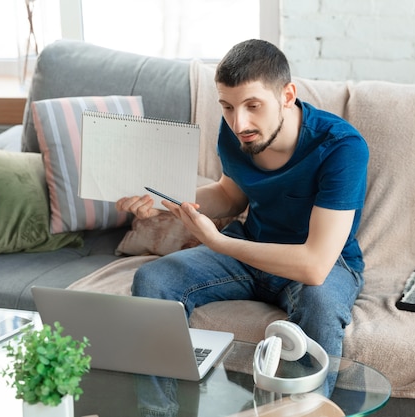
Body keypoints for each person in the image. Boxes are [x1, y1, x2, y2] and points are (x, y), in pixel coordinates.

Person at [116, 39, 368, 360]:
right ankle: (162, 410)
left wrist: (218, 242)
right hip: (250, 249)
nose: (239, 123)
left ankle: (305, 411)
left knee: (320, 306)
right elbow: (229, 196)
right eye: (228, 106)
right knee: (152, 279)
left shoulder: (341, 147)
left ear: (287, 96)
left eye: (253, 105)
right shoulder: (236, 131)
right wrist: (166, 201)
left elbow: (315, 266)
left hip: (318, 264)